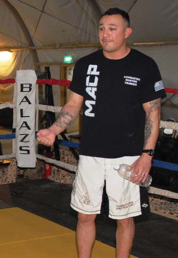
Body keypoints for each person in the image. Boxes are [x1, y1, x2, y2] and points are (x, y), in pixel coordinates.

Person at [37, 8, 166, 258]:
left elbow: (153, 113)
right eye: (102, 28)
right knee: (85, 215)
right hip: (91, 154)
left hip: (128, 156)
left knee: (125, 218)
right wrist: (54, 129)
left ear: (127, 32)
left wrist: (147, 155)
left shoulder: (144, 66)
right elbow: (73, 105)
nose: (105, 34)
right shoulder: (86, 65)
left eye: (112, 28)